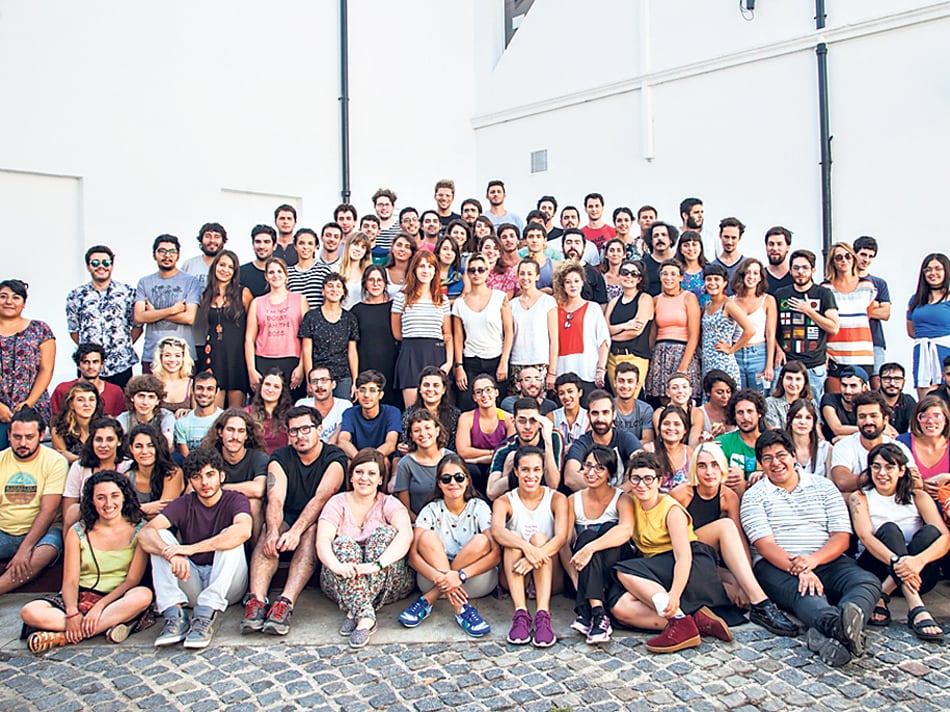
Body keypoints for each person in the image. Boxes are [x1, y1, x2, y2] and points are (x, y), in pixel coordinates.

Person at [741, 430, 881, 667]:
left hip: (826, 557)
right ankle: (836, 626)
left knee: (866, 581)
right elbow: (764, 545)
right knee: (807, 595)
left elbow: (841, 537)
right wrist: (799, 568)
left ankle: (838, 627)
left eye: (781, 455)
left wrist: (812, 561)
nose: (776, 463)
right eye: (767, 458)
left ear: (793, 455)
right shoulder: (754, 496)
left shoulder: (824, 487)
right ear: (760, 463)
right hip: (779, 565)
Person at [609, 451, 738, 654]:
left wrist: (675, 594)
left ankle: (679, 622)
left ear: (659, 481)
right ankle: (693, 621)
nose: (642, 484)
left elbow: (683, 556)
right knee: (620, 607)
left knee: (624, 571)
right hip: (657, 566)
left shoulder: (671, 509)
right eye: (636, 479)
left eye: (648, 479)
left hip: (688, 564)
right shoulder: (630, 502)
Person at [668, 444, 798, 639]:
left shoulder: (728, 496)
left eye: (714, 465)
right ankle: (761, 603)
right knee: (725, 526)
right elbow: (671, 539)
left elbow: (738, 540)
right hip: (678, 554)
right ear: (694, 468)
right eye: (702, 466)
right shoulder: (681, 494)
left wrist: (743, 581)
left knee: (737, 587)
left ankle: (754, 598)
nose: (709, 472)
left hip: (705, 559)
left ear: (722, 466)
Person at [19, 470, 154, 654]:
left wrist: (99, 607)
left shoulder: (139, 529)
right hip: (82, 595)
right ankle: (105, 625)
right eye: (101, 497)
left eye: (114, 496)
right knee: (30, 611)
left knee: (143, 596)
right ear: (91, 501)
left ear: (124, 497)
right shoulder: (78, 531)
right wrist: (73, 612)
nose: (108, 504)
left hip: (116, 598)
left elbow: (132, 580)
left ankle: (63, 637)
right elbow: (70, 581)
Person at [243, 406, 347, 636]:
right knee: (269, 531)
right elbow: (276, 499)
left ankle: (285, 603)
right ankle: (257, 601)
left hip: (323, 519)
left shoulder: (335, 457)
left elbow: (321, 499)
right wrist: (273, 532)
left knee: (311, 532)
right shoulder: (280, 457)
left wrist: (296, 532)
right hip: (288, 514)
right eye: (293, 431)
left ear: (319, 429)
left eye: (305, 429)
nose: (299, 435)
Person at [139, 447, 251, 649]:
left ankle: (204, 618)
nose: (205, 483)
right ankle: (174, 616)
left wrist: (190, 549)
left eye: (210, 475)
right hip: (192, 582)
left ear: (221, 475)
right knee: (161, 536)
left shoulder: (235, 499)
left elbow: (244, 531)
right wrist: (171, 554)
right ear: (190, 481)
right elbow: (145, 533)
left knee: (231, 536)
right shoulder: (184, 503)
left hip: (228, 585)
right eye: (197, 477)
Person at [849, 443, 948, 641]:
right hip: (876, 568)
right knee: (890, 529)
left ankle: (882, 594)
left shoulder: (918, 496)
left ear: (902, 470)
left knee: (930, 532)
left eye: (889, 467)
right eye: (876, 467)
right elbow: (866, 537)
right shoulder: (859, 497)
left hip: (919, 575)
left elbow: (945, 537)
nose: (882, 473)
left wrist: (917, 561)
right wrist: (898, 563)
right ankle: (916, 606)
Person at [317, 448, 414, 648]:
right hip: (340, 577)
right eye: (359, 472)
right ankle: (366, 617)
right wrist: (337, 566)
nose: (364, 478)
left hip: (387, 578)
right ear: (351, 476)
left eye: (371, 473)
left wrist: (376, 565)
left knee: (385, 535)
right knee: (342, 544)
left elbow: (406, 535)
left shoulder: (389, 503)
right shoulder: (337, 502)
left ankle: (355, 610)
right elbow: (323, 540)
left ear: (380, 479)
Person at [399, 453, 498, 636]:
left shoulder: (480, 507)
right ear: (439, 483)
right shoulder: (431, 509)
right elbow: (413, 557)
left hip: (473, 579)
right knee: (426, 537)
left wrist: (459, 575)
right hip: (432, 577)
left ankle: (428, 600)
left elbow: (495, 553)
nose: (453, 483)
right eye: (446, 479)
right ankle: (462, 610)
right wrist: (440, 577)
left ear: (467, 480)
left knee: (481, 541)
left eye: (459, 477)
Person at [492, 446, 569, 647]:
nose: (531, 475)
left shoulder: (557, 498)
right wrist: (526, 550)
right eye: (525, 469)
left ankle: (543, 615)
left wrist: (533, 555)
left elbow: (560, 537)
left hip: (550, 575)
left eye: (536, 470)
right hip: (517, 575)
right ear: (516, 471)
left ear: (543, 471)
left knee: (539, 538)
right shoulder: (504, 501)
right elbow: (497, 531)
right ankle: (521, 614)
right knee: (513, 539)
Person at [562, 446, 635, 645]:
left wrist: (590, 548)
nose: (591, 472)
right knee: (584, 536)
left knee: (607, 529)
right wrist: (575, 577)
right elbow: (564, 543)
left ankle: (586, 613)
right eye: (587, 466)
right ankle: (598, 612)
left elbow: (626, 530)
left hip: (614, 567)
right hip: (582, 571)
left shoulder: (622, 498)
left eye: (599, 468)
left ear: (610, 473)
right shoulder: (572, 500)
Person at [0, 408, 68, 593]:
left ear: (42, 434)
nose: (23, 443)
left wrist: (25, 548)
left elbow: (49, 510)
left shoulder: (55, 461)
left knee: (46, 551)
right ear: (9, 435)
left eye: (29, 437)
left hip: (43, 532)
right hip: (5, 531)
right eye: (17, 437)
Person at [66, 246, 141, 389]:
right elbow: (74, 331)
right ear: (88, 266)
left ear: (112, 265)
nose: (101, 266)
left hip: (120, 364)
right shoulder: (76, 295)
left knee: (120, 406)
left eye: (106, 263)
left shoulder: (128, 292)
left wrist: (121, 346)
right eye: (95, 263)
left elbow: (137, 326)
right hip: (89, 366)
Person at [774, 249, 840, 404]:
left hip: (814, 365)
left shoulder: (823, 294)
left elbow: (833, 327)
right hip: (786, 365)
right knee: (781, 406)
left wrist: (809, 311)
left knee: (813, 408)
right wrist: (778, 349)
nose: (800, 272)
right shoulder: (780, 294)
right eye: (796, 268)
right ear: (790, 270)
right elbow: (771, 329)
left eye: (805, 268)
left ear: (813, 270)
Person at [392, 251, 454, 408]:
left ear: (435, 271)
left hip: (435, 354)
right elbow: (397, 333)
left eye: (430, 266)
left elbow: (447, 334)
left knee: (436, 411)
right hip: (411, 355)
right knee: (412, 411)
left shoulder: (442, 300)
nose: (425, 270)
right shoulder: (402, 297)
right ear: (414, 269)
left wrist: (448, 362)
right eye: (421, 266)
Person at [452, 254, 513, 410]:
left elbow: (508, 332)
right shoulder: (459, 303)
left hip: (496, 359)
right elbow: (458, 337)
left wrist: (504, 362)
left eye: (481, 269)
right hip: (470, 361)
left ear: (488, 272)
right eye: (472, 270)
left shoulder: (500, 297)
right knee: (467, 406)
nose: (476, 274)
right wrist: (459, 366)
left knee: (497, 409)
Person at [0, 279, 56, 449]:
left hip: (32, 406)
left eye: (16, 297)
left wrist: (28, 403)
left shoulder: (40, 329)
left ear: (24, 303)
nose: (9, 302)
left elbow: (46, 370)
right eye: (3, 296)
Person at [133, 235, 201, 370]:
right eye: (162, 251)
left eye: (172, 252)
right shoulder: (144, 282)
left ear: (178, 255)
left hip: (182, 355)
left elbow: (189, 318)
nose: (167, 256)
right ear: (154, 254)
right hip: (152, 354)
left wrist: (152, 313)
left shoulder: (190, 281)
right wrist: (172, 310)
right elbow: (139, 317)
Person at [201, 409, 268, 541]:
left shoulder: (258, 458)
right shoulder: (208, 457)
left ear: (247, 435)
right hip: (214, 509)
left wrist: (218, 488)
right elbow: (192, 490)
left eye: (241, 431)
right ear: (220, 432)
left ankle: (253, 557)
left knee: (254, 503)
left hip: (244, 516)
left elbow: (258, 490)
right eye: (230, 430)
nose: (235, 437)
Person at [197, 250, 252, 408]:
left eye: (230, 267)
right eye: (222, 265)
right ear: (215, 266)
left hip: (237, 355)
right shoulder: (205, 295)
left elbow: (253, 326)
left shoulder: (243, 293)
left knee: (236, 411)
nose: (225, 269)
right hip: (214, 354)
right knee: (214, 409)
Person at [245, 257, 307, 394]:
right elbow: (249, 339)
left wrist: (302, 367)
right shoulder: (257, 302)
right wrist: (251, 370)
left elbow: (307, 338)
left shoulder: (300, 300)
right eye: (271, 272)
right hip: (263, 360)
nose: (276, 275)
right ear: (266, 276)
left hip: (292, 360)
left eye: (280, 271)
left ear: (286, 275)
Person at [830, 391, 912, 495]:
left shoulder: (898, 447)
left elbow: (915, 481)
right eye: (862, 416)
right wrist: (884, 475)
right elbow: (843, 482)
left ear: (885, 419)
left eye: (873, 416)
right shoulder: (844, 446)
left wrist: (865, 478)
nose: (868, 421)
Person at [644, 260, 701, 404]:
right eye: (665, 274)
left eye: (673, 274)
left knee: (683, 398)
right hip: (661, 353)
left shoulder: (689, 298)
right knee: (664, 399)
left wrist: (682, 367)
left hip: (683, 352)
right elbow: (653, 333)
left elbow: (694, 335)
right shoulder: (656, 300)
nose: (669, 278)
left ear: (681, 277)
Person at [552, 262, 610, 400]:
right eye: (568, 282)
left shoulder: (593, 308)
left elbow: (603, 340)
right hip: (562, 369)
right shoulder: (554, 309)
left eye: (576, 281)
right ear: (562, 285)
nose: (573, 285)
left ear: (583, 283)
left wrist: (601, 369)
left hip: (586, 370)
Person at [563, 390, 643, 491]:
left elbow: (642, 464)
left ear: (613, 415)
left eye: (605, 413)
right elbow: (570, 478)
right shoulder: (582, 443)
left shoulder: (626, 438)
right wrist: (607, 492)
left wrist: (619, 492)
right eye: (595, 413)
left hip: (623, 498)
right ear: (588, 416)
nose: (600, 419)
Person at [822, 243, 876, 389]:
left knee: (861, 402)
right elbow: (822, 323)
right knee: (834, 400)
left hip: (861, 352)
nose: (844, 260)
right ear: (833, 261)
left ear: (853, 259)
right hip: (835, 352)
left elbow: (868, 314)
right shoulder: (825, 288)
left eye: (848, 256)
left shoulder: (867, 286)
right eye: (838, 257)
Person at [487, 399, 564, 500]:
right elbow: (491, 493)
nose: (527, 427)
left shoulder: (553, 437)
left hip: (546, 500)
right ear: (513, 421)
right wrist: (518, 471)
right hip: (516, 500)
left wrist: (548, 443)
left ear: (540, 422)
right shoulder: (504, 448)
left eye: (533, 421)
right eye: (522, 421)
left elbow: (553, 484)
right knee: (511, 457)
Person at [299, 274, 359, 400]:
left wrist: (355, 381)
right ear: (323, 291)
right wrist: (310, 380)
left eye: (338, 286)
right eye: (330, 286)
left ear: (343, 292)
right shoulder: (311, 317)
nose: (334, 289)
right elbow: (307, 351)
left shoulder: (350, 318)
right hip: (318, 376)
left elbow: (352, 352)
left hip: (343, 376)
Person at [62, 417, 128, 529]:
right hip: (86, 523)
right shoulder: (79, 467)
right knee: (73, 511)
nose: (103, 445)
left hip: (120, 523)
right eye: (98, 439)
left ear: (119, 441)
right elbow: (68, 510)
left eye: (110, 439)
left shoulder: (127, 466)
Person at [350, 265, 399, 409]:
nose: (375, 284)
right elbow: (352, 348)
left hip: (392, 368)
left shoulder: (394, 307)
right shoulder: (356, 311)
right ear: (365, 283)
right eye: (371, 280)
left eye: (379, 280)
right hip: (366, 369)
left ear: (385, 283)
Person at [455, 374, 512, 494]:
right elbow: (463, 451)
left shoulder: (508, 419)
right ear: (474, 397)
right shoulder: (466, 418)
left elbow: (509, 451)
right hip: (473, 466)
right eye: (479, 392)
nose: (484, 395)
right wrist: (493, 452)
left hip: (498, 464)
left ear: (496, 392)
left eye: (488, 390)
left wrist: (479, 458)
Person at [605, 260, 653, 395]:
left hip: (634, 356)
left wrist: (612, 336)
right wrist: (625, 325)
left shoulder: (645, 299)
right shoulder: (614, 302)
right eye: (625, 273)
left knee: (631, 399)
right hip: (613, 357)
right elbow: (605, 329)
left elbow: (636, 331)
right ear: (619, 275)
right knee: (617, 400)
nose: (629, 277)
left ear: (639, 279)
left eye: (634, 274)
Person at [701, 263, 754, 384]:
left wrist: (732, 349)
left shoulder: (728, 305)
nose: (712, 283)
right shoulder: (707, 305)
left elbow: (750, 330)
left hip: (723, 362)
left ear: (724, 283)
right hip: (707, 363)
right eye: (709, 279)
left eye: (717, 279)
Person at [394, 410, 454, 518]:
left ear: (437, 430)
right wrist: (423, 525)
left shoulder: (451, 458)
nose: (423, 434)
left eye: (427, 428)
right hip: (418, 523)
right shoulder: (405, 464)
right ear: (411, 435)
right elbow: (404, 508)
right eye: (417, 430)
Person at [907, 253, 950, 399]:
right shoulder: (916, 299)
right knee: (926, 401)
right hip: (922, 354)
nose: (933, 273)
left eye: (938, 269)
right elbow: (911, 330)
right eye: (928, 269)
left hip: (946, 353)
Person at [731, 258, 777, 393]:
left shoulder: (768, 300)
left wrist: (769, 365)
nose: (751, 277)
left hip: (759, 353)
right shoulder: (731, 301)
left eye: (756, 273)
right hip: (736, 353)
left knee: (760, 396)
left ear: (761, 277)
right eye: (748, 272)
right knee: (737, 395)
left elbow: (770, 334)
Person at [853, 236, 892, 389]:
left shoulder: (879, 283)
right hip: (851, 341)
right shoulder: (844, 282)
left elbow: (885, 313)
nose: (866, 260)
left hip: (874, 340)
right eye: (863, 254)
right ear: (855, 253)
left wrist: (858, 309)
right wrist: (872, 306)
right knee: (851, 382)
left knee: (877, 384)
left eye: (870, 256)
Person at [896, 395, 950, 501]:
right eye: (924, 416)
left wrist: (947, 477)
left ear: (946, 420)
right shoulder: (903, 443)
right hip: (912, 504)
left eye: (937, 416)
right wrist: (918, 485)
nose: (930, 421)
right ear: (917, 420)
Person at [339, 370, 402, 460]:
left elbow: (390, 444)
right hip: (357, 458)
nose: (366, 395)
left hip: (379, 459)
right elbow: (343, 441)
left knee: (384, 461)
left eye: (372, 390)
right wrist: (361, 460)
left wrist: (371, 461)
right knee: (347, 462)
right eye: (362, 390)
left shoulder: (392, 412)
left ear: (380, 395)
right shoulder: (349, 413)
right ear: (357, 393)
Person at [50, 343, 126, 418]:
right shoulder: (63, 389)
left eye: (95, 362)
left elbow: (119, 422)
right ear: (78, 365)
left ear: (102, 364)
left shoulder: (115, 391)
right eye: (86, 362)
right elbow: (54, 421)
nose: (91, 366)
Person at [125, 424, 184, 518]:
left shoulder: (172, 473)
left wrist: (135, 510)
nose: (144, 451)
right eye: (138, 446)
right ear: (131, 449)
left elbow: (164, 513)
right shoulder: (127, 477)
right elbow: (121, 514)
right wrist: (145, 508)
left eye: (150, 445)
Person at [716, 389, 768, 495]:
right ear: (734, 416)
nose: (745, 417)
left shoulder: (770, 442)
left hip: (765, 496)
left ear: (759, 413)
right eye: (740, 412)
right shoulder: (723, 442)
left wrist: (763, 475)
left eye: (750, 411)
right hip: (733, 498)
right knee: (736, 473)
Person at [400, 366, 460, 456]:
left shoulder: (455, 414)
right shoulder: (409, 413)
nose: (430, 389)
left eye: (436, 385)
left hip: (447, 460)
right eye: (426, 385)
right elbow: (406, 442)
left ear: (444, 389)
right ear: (420, 389)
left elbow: (455, 448)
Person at [116, 375, 175, 449]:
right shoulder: (123, 418)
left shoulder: (166, 416)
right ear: (132, 397)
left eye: (151, 397)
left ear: (157, 401)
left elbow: (168, 442)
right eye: (141, 396)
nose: (145, 402)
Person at [296, 366, 350, 445]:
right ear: (310, 386)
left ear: (333, 384)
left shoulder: (344, 406)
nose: (319, 385)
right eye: (314, 381)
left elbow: (340, 437)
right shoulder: (302, 405)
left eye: (324, 380)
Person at [173, 371, 223, 458]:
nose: (204, 393)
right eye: (200, 388)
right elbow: (186, 457)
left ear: (217, 392)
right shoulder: (182, 422)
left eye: (210, 389)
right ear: (192, 390)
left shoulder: (224, 419)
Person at [50, 382, 102, 464]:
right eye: (80, 400)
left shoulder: (105, 426)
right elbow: (62, 460)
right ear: (71, 404)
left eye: (91, 399)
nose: (87, 404)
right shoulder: (59, 431)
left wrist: (74, 458)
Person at [245, 369, 292, 455]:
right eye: (267, 384)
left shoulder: (291, 414)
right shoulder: (247, 413)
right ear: (261, 386)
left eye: (276, 387)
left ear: (282, 391)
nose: (270, 390)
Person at [651, 372, 705, 446]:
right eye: (674, 388)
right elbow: (662, 441)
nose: (680, 391)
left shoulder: (696, 413)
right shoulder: (659, 413)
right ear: (668, 392)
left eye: (684, 387)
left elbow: (693, 444)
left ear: (690, 391)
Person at [648, 406, 693, 493]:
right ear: (659, 427)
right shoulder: (649, 450)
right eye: (666, 423)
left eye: (677, 424)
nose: (671, 428)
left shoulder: (690, 453)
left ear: (685, 430)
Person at [786, 399, 832, 478]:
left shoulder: (826, 448)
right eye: (798, 417)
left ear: (813, 422)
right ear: (789, 420)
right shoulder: (781, 448)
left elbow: (831, 482)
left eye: (808, 418)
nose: (802, 422)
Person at [150, 336, 195, 415]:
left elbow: (198, 414)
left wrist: (189, 412)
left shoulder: (191, 384)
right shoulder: (152, 383)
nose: (172, 360)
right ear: (160, 358)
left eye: (177, 356)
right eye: (167, 355)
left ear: (183, 358)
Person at [613, 363, 655, 444]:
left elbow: (648, 440)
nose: (625, 386)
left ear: (637, 385)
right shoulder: (607, 407)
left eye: (630, 381)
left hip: (638, 454)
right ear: (615, 383)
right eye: (621, 381)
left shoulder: (646, 409)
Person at [764, 361, 813, 430]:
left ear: (805, 382)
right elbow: (775, 432)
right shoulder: (770, 403)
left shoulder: (811, 403)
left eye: (798, 379)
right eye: (789, 378)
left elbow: (816, 431)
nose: (793, 383)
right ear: (781, 379)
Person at [180, 221, 227, 290]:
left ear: (223, 241)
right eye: (208, 236)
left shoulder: (229, 266)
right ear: (201, 240)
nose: (212, 240)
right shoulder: (189, 265)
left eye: (216, 237)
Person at [549, 373, 590, 449]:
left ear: (580, 392)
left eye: (570, 391)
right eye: (561, 393)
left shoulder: (589, 417)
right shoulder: (552, 417)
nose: (566, 397)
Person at [878, 362, 917, 435]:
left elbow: (914, 428)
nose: (892, 383)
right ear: (879, 380)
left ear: (903, 382)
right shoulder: (870, 400)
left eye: (897, 379)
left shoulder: (908, 401)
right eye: (887, 379)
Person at [698, 370, 736, 441]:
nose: (725, 396)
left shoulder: (736, 410)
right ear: (708, 392)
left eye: (728, 392)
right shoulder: (699, 413)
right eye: (719, 392)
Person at [240, 225, 277, 298]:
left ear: (274, 245)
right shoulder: (240, 272)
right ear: (253, 245)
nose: (261, 246)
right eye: (258, 242)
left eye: (266, 242)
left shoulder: (282, 273)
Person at [642, 222, 677, 298]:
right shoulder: (643, 265)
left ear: (671, 239)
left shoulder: (681, 261)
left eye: (664, 235)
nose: (660, 238)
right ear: (651, 241)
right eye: (656, 236)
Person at [338, 232, 372, 309]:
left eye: (363, 247)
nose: (358, 249)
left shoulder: (369, 274)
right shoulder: (336, 270)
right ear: (348, 246)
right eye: (355, 244)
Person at [676, 230, 708, 307]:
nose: (690, 249)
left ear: (700, 248)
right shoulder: (676, 272)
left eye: (694, 245)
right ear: (681, 249)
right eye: (686, 245)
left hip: (706, 314)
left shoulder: (708, 270)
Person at [713, 217, 746, 290]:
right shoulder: (712, 266)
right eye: (726, 237)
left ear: (739, 238)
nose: (729, 242)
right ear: (720, 235)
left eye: (733, 238)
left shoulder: (746, 266)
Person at [481, 234, 517, 298]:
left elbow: (507, 298)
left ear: (499, 253)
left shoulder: (508, 272)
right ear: (480, 250)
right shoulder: (473, 270)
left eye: (495, 249)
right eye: (487, 248)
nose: (491, 251)